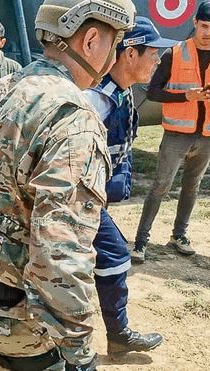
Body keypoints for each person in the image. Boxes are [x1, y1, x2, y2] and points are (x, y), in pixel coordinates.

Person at [0, 0, 136, 370]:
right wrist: (79, 352)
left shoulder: (2, 88)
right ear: (91, 40)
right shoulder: (74, 121)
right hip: (11, 310)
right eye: (116, 40)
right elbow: (60, 254)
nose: (117, 52)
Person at [83, 16, 172, 356]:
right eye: (153, 53)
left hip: (92, 201)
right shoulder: (98, 100)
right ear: (130, 53)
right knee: (114, 254)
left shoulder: (120, 94)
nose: (158, 61)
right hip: (76, 201)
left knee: (109, 256)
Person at [130, 1, 210, 263]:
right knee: (160, 187)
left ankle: (179, 235)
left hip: (207, 136)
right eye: (205, 26)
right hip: (177, 135)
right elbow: (153, 91)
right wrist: (185, 96)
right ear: (195, 24)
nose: (208, 33)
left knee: (192, 188)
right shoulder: (174, 53)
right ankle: (141, 242)